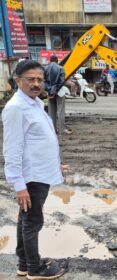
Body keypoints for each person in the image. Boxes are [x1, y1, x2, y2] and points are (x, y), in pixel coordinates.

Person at [2, 59, 66, 279]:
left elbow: (38, 142)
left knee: (25, 219)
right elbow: (12, 150)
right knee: (32, 222)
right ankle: (35, 269)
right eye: (31, 79)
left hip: (40, 171)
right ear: (18, 81)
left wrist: (54, 163)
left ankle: (24, 263)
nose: (37, 83)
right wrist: (19, 186)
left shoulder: (34, 102)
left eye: (40, 79)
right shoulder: (16, 109)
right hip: (31, 176)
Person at [44, 54, 71, 135]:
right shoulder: (61, 68)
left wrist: (50, 91)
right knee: (61, 112)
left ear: (50, 60)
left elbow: (44, 81)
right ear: (57, 61)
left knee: (51, 112)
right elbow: (62, 81)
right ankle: (62, 130)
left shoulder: (45, 68)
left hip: (50, 93)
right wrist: (55, 91)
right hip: (60, 92)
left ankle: (53, 130)